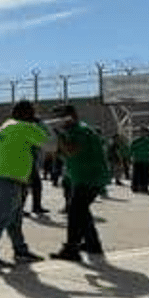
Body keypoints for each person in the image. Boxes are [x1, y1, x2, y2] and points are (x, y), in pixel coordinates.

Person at [0, 102, 49, 267]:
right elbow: (50, 145)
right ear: (26, 114)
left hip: (1, 177)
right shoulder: (24, 127)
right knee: (0, 217)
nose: (34, 116)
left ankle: (20, 251)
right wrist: (42, 125)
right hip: (9, 178)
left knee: (14, 219)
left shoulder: (4, 127)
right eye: (32, 113)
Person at [48, 105, 111, 263]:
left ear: (71, 116)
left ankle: (71, 249)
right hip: (82, 177)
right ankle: (92, 244)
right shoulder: (73, 131)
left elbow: (72, 151)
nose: (59, 121)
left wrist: (57, 135)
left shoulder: (80, 130)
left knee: (75, 212)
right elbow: (65, 154)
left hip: (89, 178)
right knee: (82, 212)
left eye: (62, 117)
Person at [129, 128, 149, 193]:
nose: (142, 134)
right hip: (137, 159)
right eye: (141, 132)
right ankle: (135, 187)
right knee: (136, 174)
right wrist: (130, 157)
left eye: (144, 132)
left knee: (145, 175)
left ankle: (144, 187)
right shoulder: (135, 140)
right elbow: (131, 148)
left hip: (146, 160)